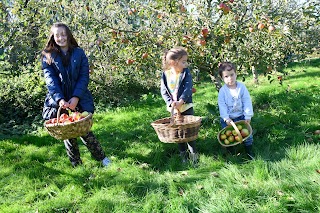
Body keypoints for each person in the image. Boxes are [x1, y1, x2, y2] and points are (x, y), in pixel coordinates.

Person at [41, 22, 111, 167]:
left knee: (84, 130)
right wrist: (60, 99)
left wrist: (76, 97)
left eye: (63, 34)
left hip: (78, 99)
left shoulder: (79, 53)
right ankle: (76, 165)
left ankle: (102, 158)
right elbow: (51, 81)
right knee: (67, 133)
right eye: (57, 35)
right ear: (53, 37)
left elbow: (84, 76)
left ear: (68, 35)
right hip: (60, 101)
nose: (61, 38)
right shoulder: (48, 56)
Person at [160, 46, 198, 164]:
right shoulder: (165, 75)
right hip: (174, 110)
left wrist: (181, 101)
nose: (185, 64)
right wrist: (170, 103)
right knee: (178, 133)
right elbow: (163, 91)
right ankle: (183, 157)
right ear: (173, 62)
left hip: (186, 107)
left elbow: (188, 88)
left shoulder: (186, 73)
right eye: (183, 62)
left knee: (189, 132)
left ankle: (194, 157)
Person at [217, 62, 255, 160]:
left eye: (232, 75)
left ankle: (249, 152)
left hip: (241, 116)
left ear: (236, 74)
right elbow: (222, 105)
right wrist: (226, 118)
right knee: (229, 138)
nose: (230, 78)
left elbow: (247, 100)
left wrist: (248, 115)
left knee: (248, 135)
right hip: (229, 119)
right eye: (226, 76)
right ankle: (231, 153)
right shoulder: (223, 91)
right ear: (222, 78)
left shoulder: (241, 87)